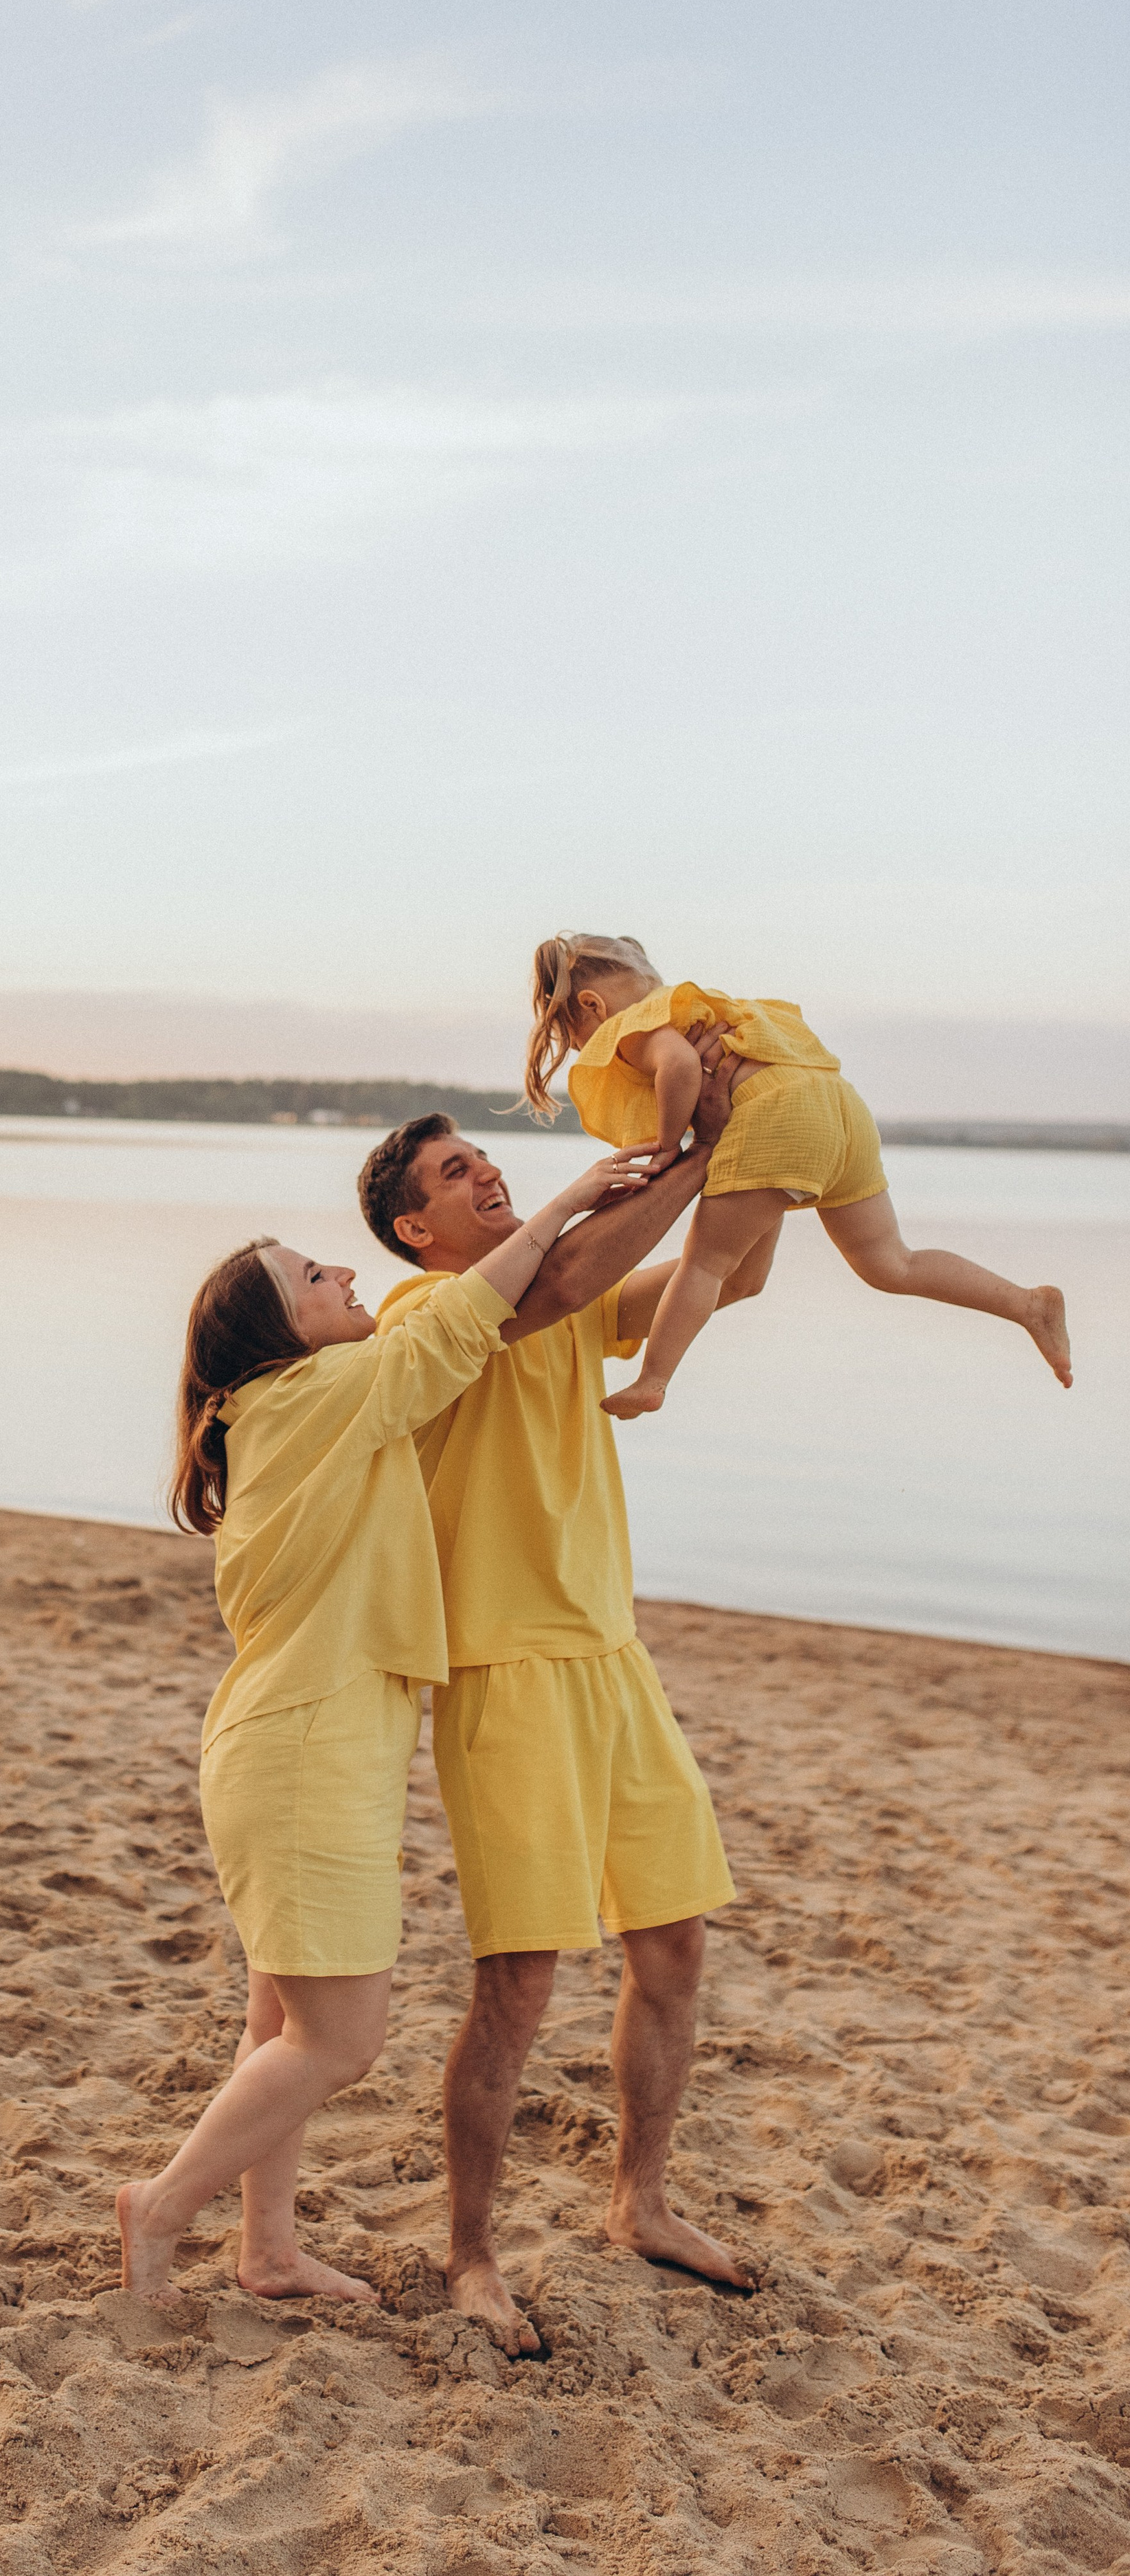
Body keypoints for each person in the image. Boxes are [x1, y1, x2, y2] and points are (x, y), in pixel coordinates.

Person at [116, 1148, 649, 2304]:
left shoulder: (283, 1407)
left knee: (281, 2017)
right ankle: (159, 2207)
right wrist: (569, 1200)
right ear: (282, 1331)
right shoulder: (315, 1395)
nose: (344, 1274)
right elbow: (456, 1325)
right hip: (306, 1757)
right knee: (341, 2041)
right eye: (316, 1277)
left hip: (288, 1745)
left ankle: (268, 2251)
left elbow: (452, 1334)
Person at [357, 1040, 758, 2352]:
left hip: (611, 1657)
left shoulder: (566, 1294)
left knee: (676, 1946)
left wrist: (765, 1151)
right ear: (414, 1228)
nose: (484, 1173)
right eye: (452, 1173)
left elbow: (730, 1274)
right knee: (520, 1985)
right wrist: (678, 1157)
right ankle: (472, 2255)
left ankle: (639, 2202)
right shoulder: (424, 1315)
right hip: (506, 1673)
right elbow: (562, 1279)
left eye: (485, 1157)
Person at [523, 931, 1073, 1420]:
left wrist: (669, 1148)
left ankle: (653, 1378)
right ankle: (1027, 1304)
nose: (585, 1050)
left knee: (706, 1263)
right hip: (841, 1111)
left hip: (779, 1118)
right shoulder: (709, 1010)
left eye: (576, 1039)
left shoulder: (634, 1025)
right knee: (891, 1262)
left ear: (592, 1006)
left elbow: (682, 1067)